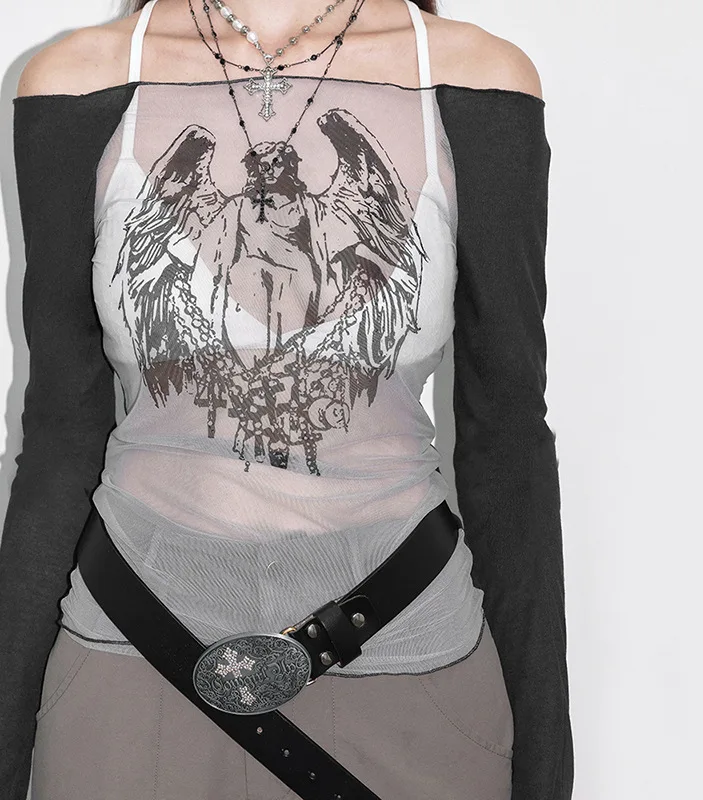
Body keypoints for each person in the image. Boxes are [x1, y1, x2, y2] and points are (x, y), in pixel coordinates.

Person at [0, 0, 573, 798]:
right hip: (127, 678)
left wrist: (545, 772)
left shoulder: (470, 78)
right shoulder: (83, 80)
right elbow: (59, 442)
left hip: (410, 677)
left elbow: (506, 443)